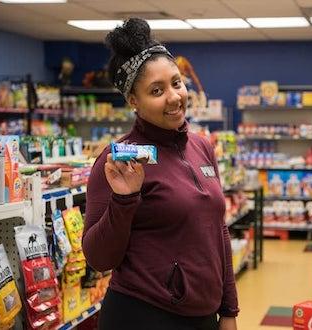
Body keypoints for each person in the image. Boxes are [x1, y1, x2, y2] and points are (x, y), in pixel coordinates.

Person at [82, 18, 238, 330]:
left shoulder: (202, 147)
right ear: (133, 102)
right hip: (142, 315)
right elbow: (98, 258)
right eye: (157, 90)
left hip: (203, 317)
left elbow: (217, 232)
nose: (174, 97)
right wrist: (124, 200)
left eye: (176, 83)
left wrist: (229, 311)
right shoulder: (118, 161)